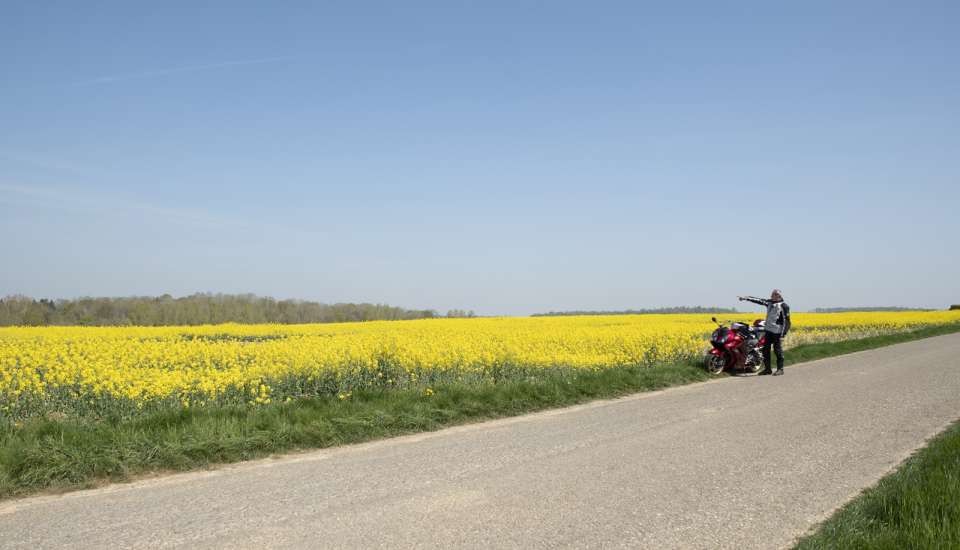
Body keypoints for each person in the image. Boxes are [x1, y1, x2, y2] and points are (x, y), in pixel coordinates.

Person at [738, 290, 791, 376]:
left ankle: (780, 369)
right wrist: (746, 298)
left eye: (776, 294)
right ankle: (767, 369)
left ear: (779, 296)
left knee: (778, 350)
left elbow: (787, 322)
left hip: (777, 332)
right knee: (765, 350)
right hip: (768, 330)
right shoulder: (769, 303)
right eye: (773, 294)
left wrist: (783, 334)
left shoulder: (784, 306)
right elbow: (758, 300)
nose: (773, 296)